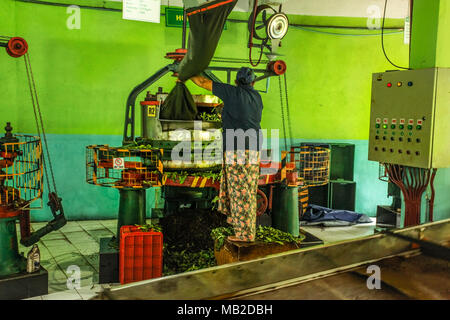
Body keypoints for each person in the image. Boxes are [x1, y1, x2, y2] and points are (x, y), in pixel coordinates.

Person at [188, 67, 263, 242]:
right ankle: (240, 229)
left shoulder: (231, 92)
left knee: (240, 193)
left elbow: (203, 82)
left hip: (237, 150)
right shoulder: (257, 98)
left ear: (237, 82)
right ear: (253, 82)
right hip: (252, 150)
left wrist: (187, 72)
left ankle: (245, 236)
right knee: (243, 190)